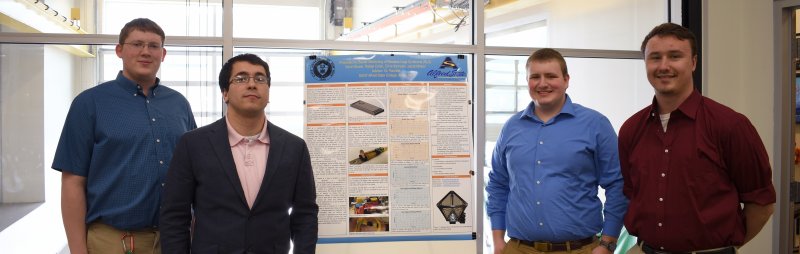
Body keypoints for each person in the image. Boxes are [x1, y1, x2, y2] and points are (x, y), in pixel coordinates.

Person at [619, 23, 776, 254]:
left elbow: (761, 205)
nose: (664, 66)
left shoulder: (730, 125)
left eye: (674, 56)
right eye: (655, 57)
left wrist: (725, 248)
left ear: (693, 62)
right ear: (646, 64)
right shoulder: (631, 129)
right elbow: (633, 195)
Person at [52, 18, 196, 254]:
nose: (145, 52)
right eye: (137, 44)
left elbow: (192, 172)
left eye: (153, 45)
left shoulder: (179, 104)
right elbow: (72, 182)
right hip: (112, 242)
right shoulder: (90, 103)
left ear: (163, 53)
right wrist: (77, 250)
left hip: (174, 239)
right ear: (119, 50)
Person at [160, 53, 318, 254]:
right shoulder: (193, 144)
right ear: (225, 92)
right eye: (242, 78)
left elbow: (305, 214)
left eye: (260, 79)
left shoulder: (294, 148)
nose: (252, 84)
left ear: (268, 92)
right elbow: (174, 216)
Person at [486, 48, 627, 254]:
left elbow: (617, 185)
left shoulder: (595, 124)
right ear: (528, 81)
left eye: (551, 76)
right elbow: (498, 184)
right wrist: (498, 240)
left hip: (580, 249)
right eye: (535, 77)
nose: (543, 83)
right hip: (519, 249)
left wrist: (607, 243)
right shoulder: (511, 127)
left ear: (566, 80)